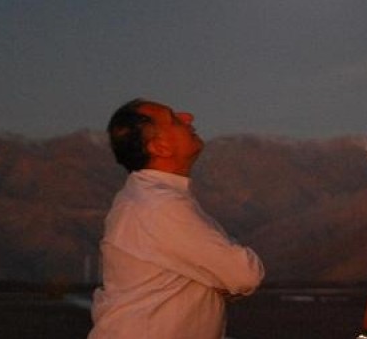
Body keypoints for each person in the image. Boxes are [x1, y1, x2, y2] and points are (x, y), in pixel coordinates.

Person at [88, 98, 265, 339]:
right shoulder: (159, 205)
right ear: (159, 147)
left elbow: (226, 275)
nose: (188, 117)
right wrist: (222, 273)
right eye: (173, 119)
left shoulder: (148, 198)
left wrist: (219, 275)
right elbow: (244, 274)